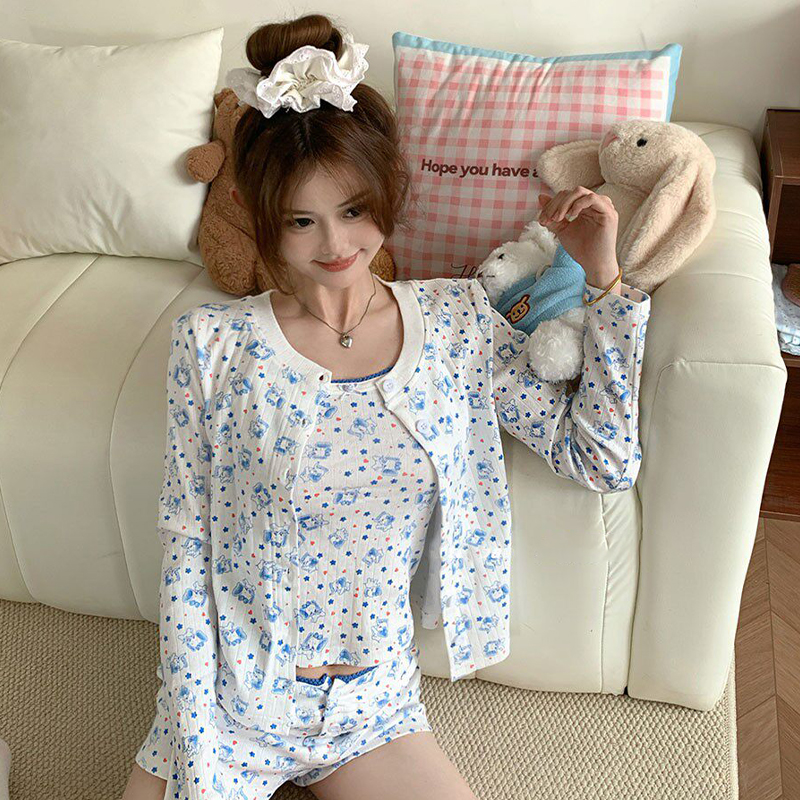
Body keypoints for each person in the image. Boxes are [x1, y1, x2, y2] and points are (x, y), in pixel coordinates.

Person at [122, 13, 651, 800]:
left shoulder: (456, 324)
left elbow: (602, 460)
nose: (336, 245)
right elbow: (187, 551)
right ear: (253, 209)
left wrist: (605, 283)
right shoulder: (212, 345)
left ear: (387, 191)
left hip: (372, 710)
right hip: (231, 708)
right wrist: (197, 744)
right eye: (301, 220)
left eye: (354, 210)